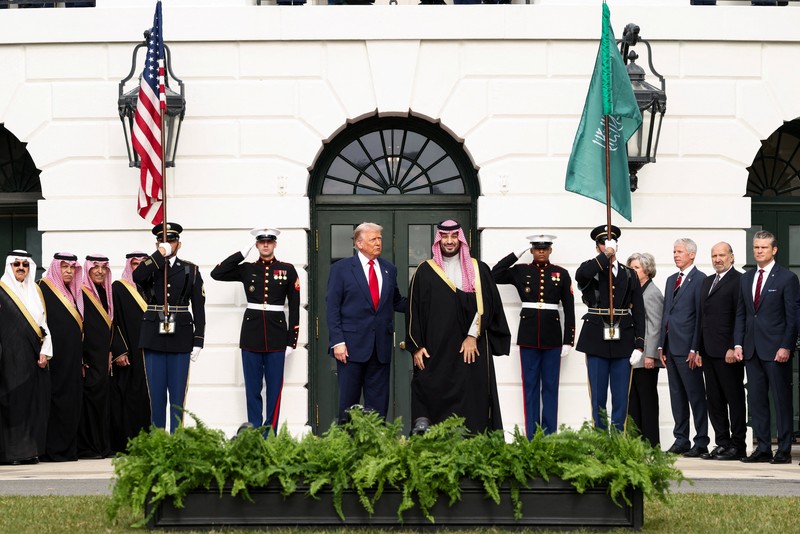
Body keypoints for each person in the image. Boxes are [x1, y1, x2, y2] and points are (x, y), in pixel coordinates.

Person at [405, 220, 511, 434]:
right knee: (431, 393)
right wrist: (416, 346)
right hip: (436, 350)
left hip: (470, 350)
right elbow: (412, 310)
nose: (450, 241)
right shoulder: (424, 271)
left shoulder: (478, 269)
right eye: (445, 237)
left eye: (454, 236)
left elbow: (488, 306)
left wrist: (473, 336)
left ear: (461, 239)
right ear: (439, 240)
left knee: (473, 398)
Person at [211, 228, 300, 434]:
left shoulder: (287, 270)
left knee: (274, 391)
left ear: (275, 244)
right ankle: (253, 433)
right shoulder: (247, 269)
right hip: (251, 335)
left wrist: (291, 341)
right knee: (252, 389)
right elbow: (217, 273)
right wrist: (242, 253)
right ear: (257, 245)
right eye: (261, 242)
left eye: (269, 241)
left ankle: (270, 435)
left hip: (277, 336)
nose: (266, 245)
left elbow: (294, 307)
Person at [492, 234, 575, 437]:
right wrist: (514, 255)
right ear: (531, 250)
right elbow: (494, 274)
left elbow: (570, 309)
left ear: (550, 250)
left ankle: (550, 435)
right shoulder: (521, 271)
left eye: (545, 248)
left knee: (550, 387)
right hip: (528, 336)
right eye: (537, 248)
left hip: (553, 338)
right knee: (530, 387)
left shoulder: (561, 274)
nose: (541, 251)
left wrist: (568, 341)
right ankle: (532, 436)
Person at [326, 222, 406, 423]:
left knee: (378, 405)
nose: (378, 243)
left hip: (380, 347)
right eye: (373, 239)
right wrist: (337, 341)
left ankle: (376, 446)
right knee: (348, 404)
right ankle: (346, 446)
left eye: (379, 238)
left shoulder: (389, 268)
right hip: (350, 348)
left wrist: (422, 300)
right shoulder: (341, 269)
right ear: (359, 243)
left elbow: (396, 301)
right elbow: (332, 307)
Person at [133, 222, 206, 433]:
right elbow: (137, 277)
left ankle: (176, 441)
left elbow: (199, 307)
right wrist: (159, 255)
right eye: (163, 241)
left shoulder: (190, 269)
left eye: (171, 241)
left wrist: (198, 339)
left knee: (177, 396)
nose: (168, 244)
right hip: (154, 336)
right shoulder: (150, 266)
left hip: (181, 336)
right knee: (155, 396)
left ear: (179, 244)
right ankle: (158, 441)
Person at [734, 231, 798, 464]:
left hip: (776, 351)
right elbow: (742, 313)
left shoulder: (787, 278)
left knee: (781, 401)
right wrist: (738, 343)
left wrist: (786, 346)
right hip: (751, 350)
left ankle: (783, 450)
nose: (759, 251)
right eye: (756, 247)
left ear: (774, 250)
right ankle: (762, 448)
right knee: (757, 400)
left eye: (764, 247)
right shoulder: (746, 278)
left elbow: (792, 318)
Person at [574, 225, 644, 432]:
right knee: (598, 395)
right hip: (596, 339)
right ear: (598, 248)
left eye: (611, 243)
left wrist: (639, 345)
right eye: (603, 243)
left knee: (621, 395)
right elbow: (582, 276)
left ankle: (618, 438)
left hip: (623, 339)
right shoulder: (590, 270)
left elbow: (639, 311)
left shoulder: (630, 274)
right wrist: (606, 256)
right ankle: (601, 439)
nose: (607, 246)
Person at [0, 250, 51, 465]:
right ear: (9, 267)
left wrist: (45, 351)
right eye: (16, 264)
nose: (21, 268)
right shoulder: (2, 291)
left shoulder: (36, 291)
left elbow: (44, 325)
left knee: (33, 404)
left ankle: (30, 452)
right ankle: (11, 454)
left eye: (25, 264)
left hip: (33, 357)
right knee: (12, 403)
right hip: (8, 360)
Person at [659, 238, 709, 457]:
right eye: (674, 251)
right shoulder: (671, 280)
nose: (675, 255)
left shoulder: (701, 280)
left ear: (692, 254)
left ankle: (701, 441)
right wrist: (661, 345)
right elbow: (666, 314)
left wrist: (695, 348)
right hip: (670, 348)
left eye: (679, 251)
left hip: (688, 348)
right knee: (677, 396)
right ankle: (681, 439)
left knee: (695, 396)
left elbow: (700, 317)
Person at [696, 242, 745, 461]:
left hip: (727, 352)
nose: (718, 259)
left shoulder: (740, 280)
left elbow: (739, 315)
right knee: (714, 400)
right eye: (714, 255)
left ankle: (738, 445)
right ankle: (722, 443)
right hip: (707, 350)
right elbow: (702, 318)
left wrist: (733, 346)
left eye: (722, 255)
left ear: (731, 257)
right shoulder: (707, 281)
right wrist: (697, 348)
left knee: (733, 398)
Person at [38, 253, 84, 462]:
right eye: (64, 267)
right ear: (56, 267)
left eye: (71, 268)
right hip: (55, 359)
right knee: (56, 401)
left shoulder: (72, 292)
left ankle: (67, 449)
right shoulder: (44, 289)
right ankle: (53, 450)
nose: (68, 271)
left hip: (73, 358)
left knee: (72, 402)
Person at [109, 252, 151, 452]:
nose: (139, 268)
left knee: (149, 397)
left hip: (151, 351)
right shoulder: (118, 288)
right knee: (129, 396)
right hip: (129, 353)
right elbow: (111, 320)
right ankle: (127, 443)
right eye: (135, 264)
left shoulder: (153, 288)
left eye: (143, 264)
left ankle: (149, 441)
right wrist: (119, 351)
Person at [626, 252, 663, 447]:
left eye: (637, 268)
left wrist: (650, 355)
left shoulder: (652, 292)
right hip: (634, 357)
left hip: (646, 358)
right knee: (633, 402)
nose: (633, 271)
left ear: (647, 270)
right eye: (631, 267)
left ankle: (651, 443)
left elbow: (655, 325)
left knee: (647, 402)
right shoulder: (634, 290)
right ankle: (636, 442)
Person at [79, 254, 114, 459]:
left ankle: (102, 447)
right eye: (96, 267)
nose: (100, 271)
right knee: (89, 404)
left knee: (103, 404)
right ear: (88, 269)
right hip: (88, 359)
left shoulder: (105, 292)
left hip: (103, 359)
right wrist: (82, 358)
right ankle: (88, 448)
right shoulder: (81, 293)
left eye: (103, 268)